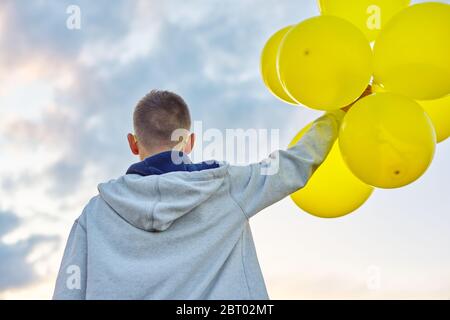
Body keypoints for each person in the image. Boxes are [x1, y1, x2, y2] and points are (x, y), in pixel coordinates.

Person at [53, 88, 363, 299]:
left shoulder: (94, 215)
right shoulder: (226, 187)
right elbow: (294, 165)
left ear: (134, 144)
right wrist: (337, 115)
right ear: (189, 141)